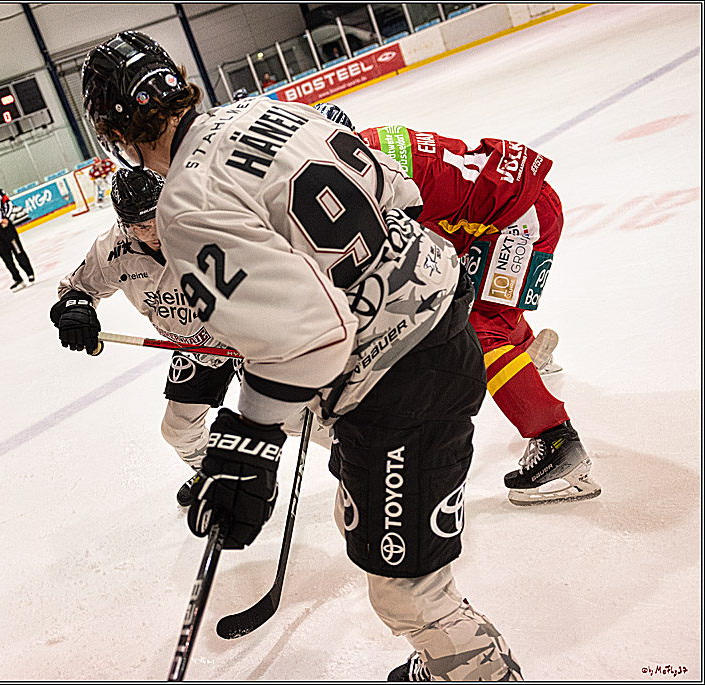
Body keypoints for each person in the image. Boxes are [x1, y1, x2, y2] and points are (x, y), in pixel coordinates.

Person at [82, 31, 521, 681]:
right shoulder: (263, 112)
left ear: (114, 133)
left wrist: (250, 439)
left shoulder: (185, 202)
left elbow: (307, 340)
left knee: (403, 589)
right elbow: (401, 193)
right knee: (383, 529)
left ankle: (476, 668)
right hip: (442, 327)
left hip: (397, 380)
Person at [313, 101, 601, 507]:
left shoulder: (363, 183)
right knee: (485, 309)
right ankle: (526, 359)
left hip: (515, 219)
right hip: (509, 207)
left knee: (478, 331)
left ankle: (557, 443)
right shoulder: (374, 145)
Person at [50, 168, 241, 507]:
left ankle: (359, 460)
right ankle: (213, 474)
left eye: (156, 218)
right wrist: (76, 310)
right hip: (193, 349)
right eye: (140, 226)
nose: (152, 232)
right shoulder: (114, 249)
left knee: (294, 419)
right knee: (178, 431)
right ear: (124, 223)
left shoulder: (204, 221)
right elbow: (78, 287)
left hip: (247, 340)